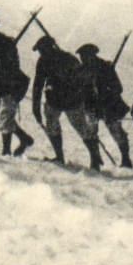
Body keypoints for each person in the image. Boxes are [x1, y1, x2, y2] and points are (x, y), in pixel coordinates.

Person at [31, 35, 97, 167]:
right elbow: (38, 84)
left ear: (50, 47)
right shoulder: (44, 61)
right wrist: (35, 107)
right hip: (54, 100)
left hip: (71, 99)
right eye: (40, 51)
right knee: (52, 126)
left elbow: (83, 81)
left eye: (43, 49)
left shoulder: (68, 59)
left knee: (81, 127)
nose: (41, 53)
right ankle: (59, 157)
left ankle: (95, 159)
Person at [0, 21, 35, 157]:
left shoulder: (6, 43)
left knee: (5, 116)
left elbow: (13, 65)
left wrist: (0, 62)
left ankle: (6, 150)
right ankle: (24, 138)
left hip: (11, 84)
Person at [77, 43, 133, 169]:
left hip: (109, 106)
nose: (83, 59)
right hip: (91, 106)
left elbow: (118, 88)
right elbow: (78, 87)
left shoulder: (106, 67)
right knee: (90, 132)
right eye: (82, 57)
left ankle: (126, 159)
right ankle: (95, 159)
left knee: (117, 132)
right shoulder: (81, 70)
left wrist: (105, 91)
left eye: (85, 56)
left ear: (92, 56)